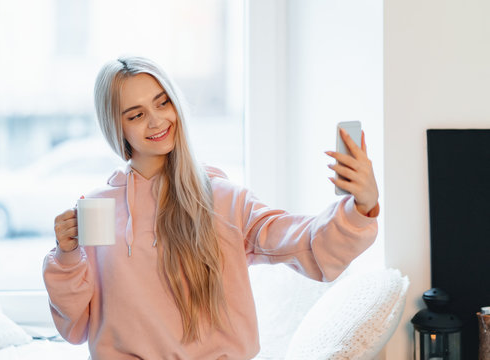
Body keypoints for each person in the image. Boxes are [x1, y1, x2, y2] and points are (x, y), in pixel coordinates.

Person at [43, 56, 380, 360]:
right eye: (137, 114)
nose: (157, 121)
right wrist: (67, 256)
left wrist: (360, 206)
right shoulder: (98, 207)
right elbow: (75, 327)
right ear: (117, 127)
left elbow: (307, 245)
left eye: (163, 103)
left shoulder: (223, 199)